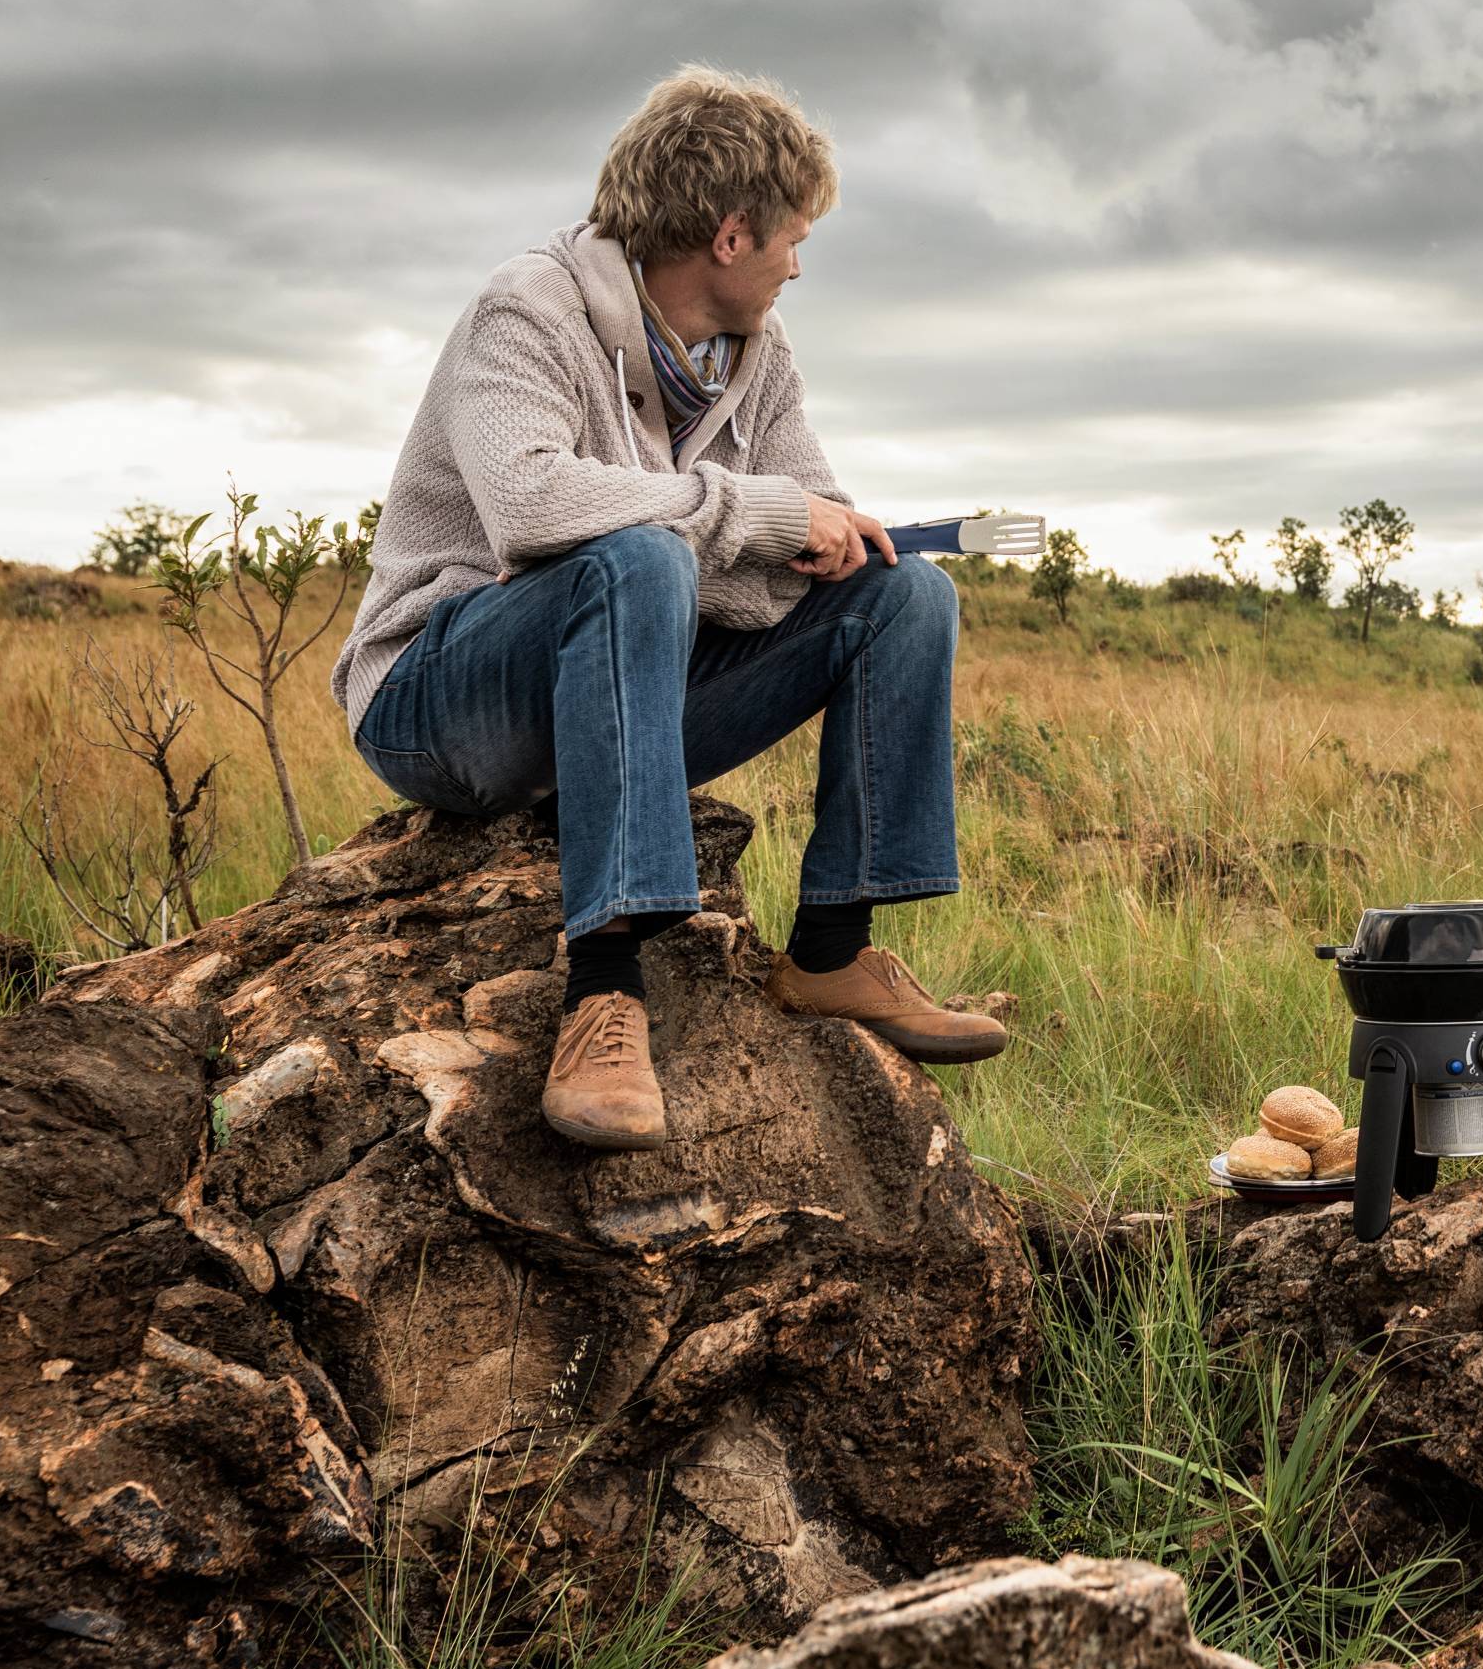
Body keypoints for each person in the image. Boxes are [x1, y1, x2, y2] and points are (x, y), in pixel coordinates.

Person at [331, 67, 1007, 1156]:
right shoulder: (529, 309)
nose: (799, 263)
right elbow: (531, 505)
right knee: (636, 560)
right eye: (793, 236)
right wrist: (742, 519)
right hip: (440, 698)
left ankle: (833, 951)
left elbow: (799, 552)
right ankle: (605, 991)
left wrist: (781, 535)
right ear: (731, 235)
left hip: (624, 690)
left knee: (904, 591)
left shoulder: (760, 356)